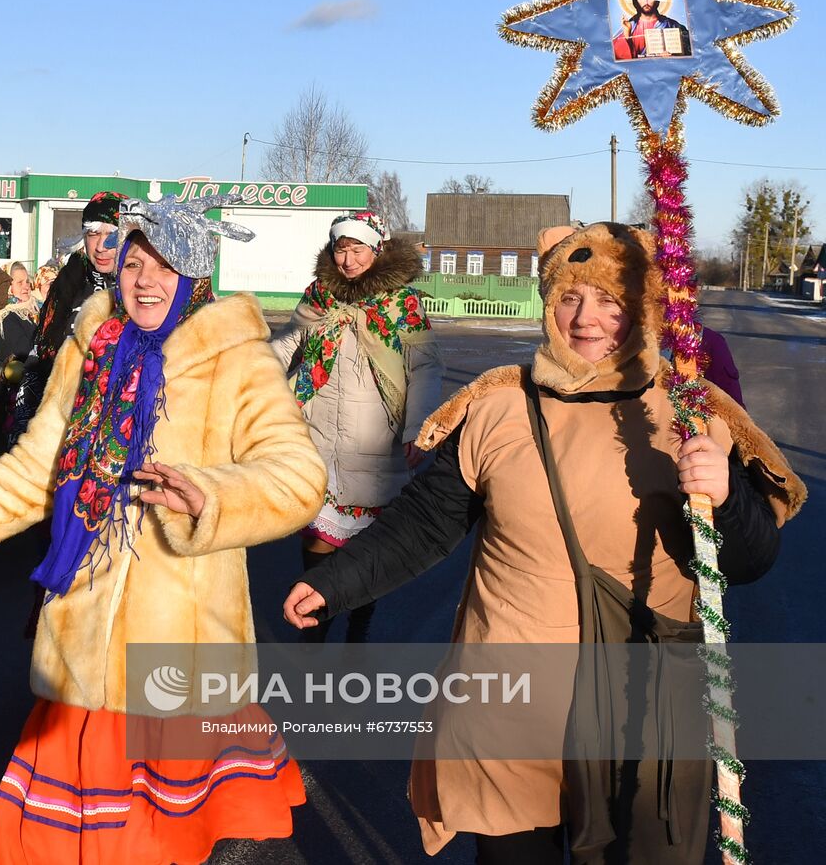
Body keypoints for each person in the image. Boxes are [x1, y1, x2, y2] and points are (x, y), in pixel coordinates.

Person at [283, 222, 804, 863]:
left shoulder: (692, 412)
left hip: (636, 710)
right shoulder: (500, 407)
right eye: (569, 297)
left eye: (611, 300)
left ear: (643, 308)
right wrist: (333, 581)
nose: (586, 319)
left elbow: (752, 562)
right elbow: (424, 523)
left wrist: (724, 496)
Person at [0, 194, 327, 864]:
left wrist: (210, 496)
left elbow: (297, 476)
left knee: (157, 842)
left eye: (164, 263)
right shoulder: (93, 344)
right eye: (133, 260)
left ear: (196, 274)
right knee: (56, 844)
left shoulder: (236, 355)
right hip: (81, 642)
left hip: (178, 643)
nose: (144, 278)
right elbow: (37, 468)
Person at [269, 210, 444, 643]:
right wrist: (251, 370)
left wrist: (418, 429)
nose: (348, 260)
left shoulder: (401, 304)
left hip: (376, 442)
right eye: (341, 249)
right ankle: (314, 632)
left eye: (357, 249)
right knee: (316, 548)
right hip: (317, 438)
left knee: (366, 553)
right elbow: (290, 342)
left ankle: (358, 632)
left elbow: (424, 367)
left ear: (376, 249)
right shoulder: (319, 296)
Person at [8, 191, 124, 439]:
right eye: (93, 234)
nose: (102, 246)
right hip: (61, 399)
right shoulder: (68, 282)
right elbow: (42, 350)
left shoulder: (141, 285)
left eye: (111, 234)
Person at [612, 0, 691, 59]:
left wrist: (673, 56)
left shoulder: (672, 25)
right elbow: (617, 57)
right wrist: (626, 34)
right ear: (635, 1)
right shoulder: (629, 26)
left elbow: (689, 50)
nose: (646, 2)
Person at [0, 262, 39, 363]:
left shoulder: (32, 310)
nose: (26, 286)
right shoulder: (5, 317)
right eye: (20, 283)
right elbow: (23, 352)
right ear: (7, 287)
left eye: (27, 282)